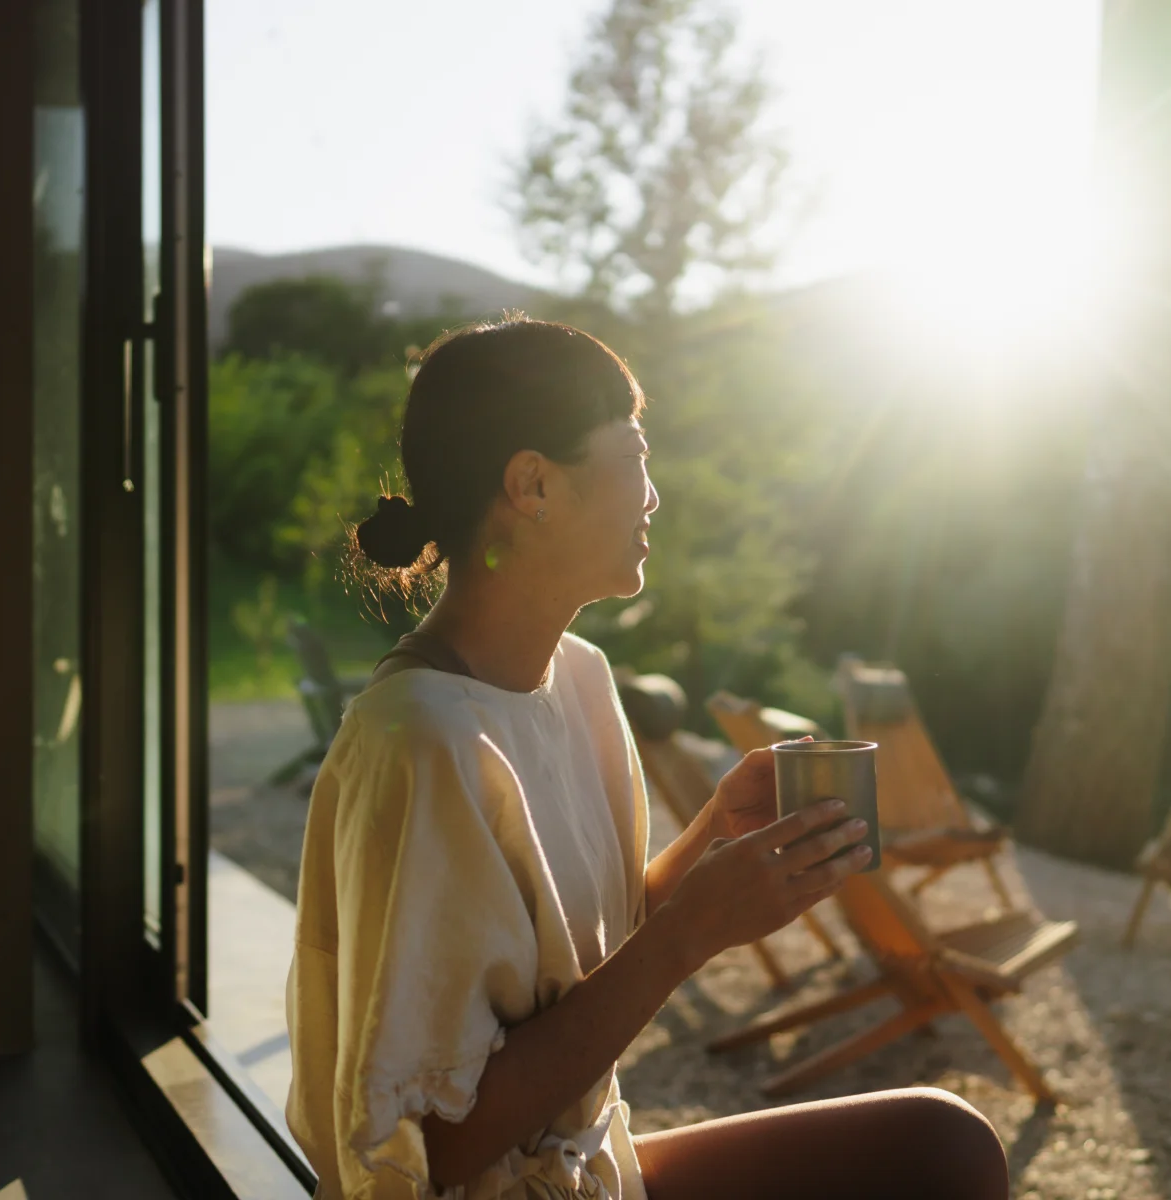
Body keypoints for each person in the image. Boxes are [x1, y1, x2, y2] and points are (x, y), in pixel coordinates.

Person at [284, 316, 1010, 1200]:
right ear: (534, 484)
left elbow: (575, 975)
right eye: (634, 455)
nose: (653, 495)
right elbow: (425, 1154)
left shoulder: (579, 680)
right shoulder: (420, 744)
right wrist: (689, 935)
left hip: (596, 1170)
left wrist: (712, 843)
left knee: (944, 1144)